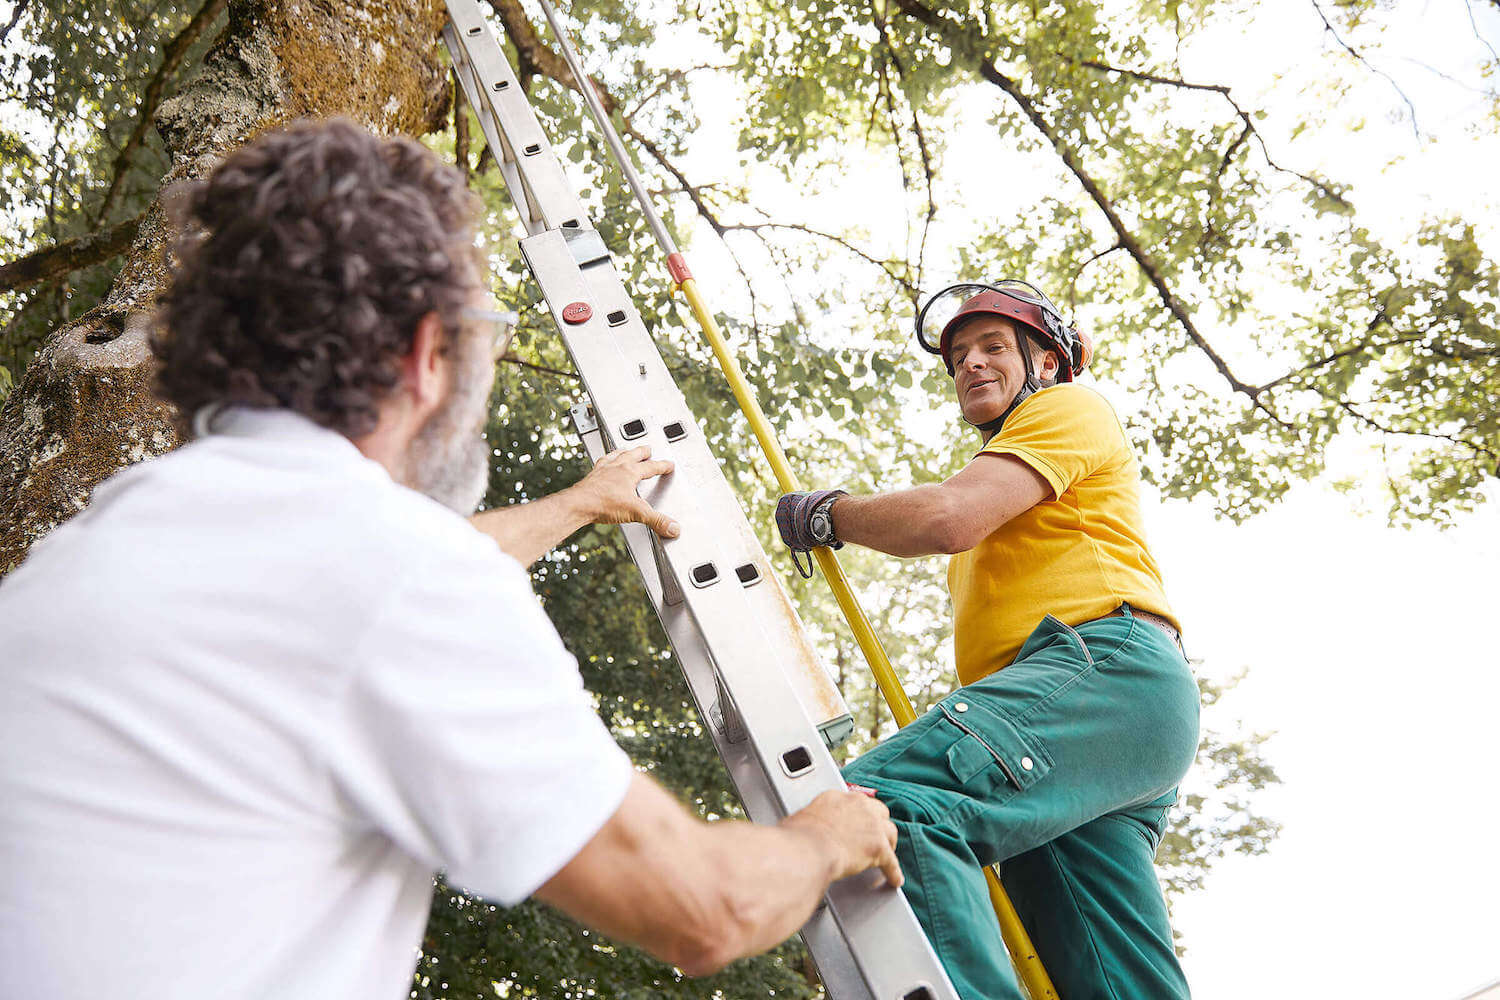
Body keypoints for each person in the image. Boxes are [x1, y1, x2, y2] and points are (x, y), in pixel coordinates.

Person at [0, 118, 902, 999]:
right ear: (426, 350)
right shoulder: (389, 574)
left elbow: (346, 592)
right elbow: (705, 909)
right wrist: (830, 833)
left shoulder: (80, 563)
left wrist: (582, 502)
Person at [775, 280, 1200, 1000]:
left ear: (1050, 363)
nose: (970, 362)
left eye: (994, 346)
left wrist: (830, 516)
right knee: (1107, 977)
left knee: (889, 803)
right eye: (959, 355)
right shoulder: (1016, 488)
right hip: (1100, 719)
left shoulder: (1069, 408)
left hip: (1103, 673)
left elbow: (948, 518)